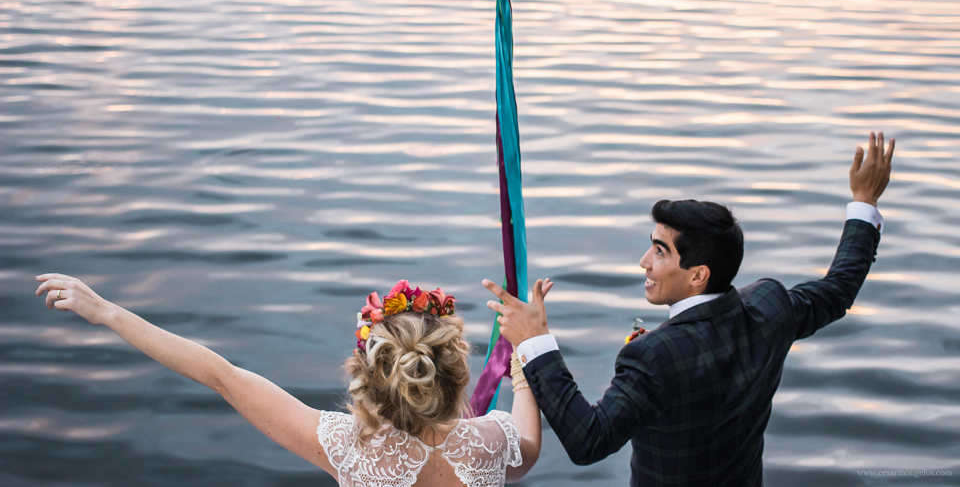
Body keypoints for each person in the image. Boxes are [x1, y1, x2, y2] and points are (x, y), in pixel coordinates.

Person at [484, 132, 895, 487]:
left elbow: (589, 440)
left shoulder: (652, 357)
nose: (644, 261)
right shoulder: (771, 307)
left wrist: (536, 343)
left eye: (660, 251)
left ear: (698, 275)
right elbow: (838, 290)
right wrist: (864, 201)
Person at [34, 278, 544, 486]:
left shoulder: (349, 449)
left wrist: (107, 312)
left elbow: (222, 376)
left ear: (369, 381)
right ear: (456, 377)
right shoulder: (493, 443)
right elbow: (530, 447)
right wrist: (527, 362)